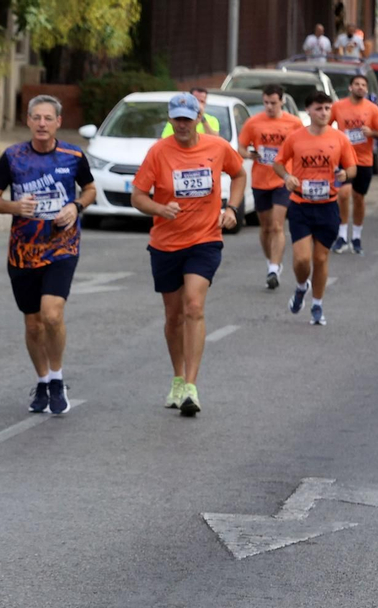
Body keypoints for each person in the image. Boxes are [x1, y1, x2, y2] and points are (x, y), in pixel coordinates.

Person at [131, 93, 245, 417]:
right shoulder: (158, 152)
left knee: (194, 305)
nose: (182, 124)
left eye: (188, 118)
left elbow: (239, 174)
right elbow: (138, 196)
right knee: (174, 316)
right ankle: (178, 378)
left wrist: (233, 208)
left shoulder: (217, 147)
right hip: (166, 243)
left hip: (205, 239)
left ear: (199, 119)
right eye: (177, 118)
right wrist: (159, 208)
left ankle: (192, 386)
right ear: (170, 120)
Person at [0, 95, 95, 415]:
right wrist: (14, 207)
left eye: (48, 118)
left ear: (59, 122)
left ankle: (58, 378)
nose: (42, 123)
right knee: (33, 324)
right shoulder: (13, 157)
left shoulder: (73, 155)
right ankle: (43, 380)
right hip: (23, 252)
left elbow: (90, 188)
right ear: (29, 121)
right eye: (36, 118)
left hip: (62, 246)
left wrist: (76, 206)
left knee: (51, 314)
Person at [272, 91, 357, 326]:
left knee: (320, 259)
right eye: (319, 108)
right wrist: (288, 177)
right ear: (308, 110)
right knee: (301, 260)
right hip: (301, 205)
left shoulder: (339, 138)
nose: (324, 113)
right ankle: (301, 287)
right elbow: (278, 163)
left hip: (328, 205)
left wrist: (344, 173)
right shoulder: (295, 138)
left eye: (328, 109)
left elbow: (352, 169)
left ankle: (317, 304)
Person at [238, 84, 303, 289]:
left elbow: (302, 147)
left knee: (276, 225)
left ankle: (274, 268)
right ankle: (271, 263)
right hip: (260, 180)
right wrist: (249, 154)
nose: (269, 107)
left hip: (283, 180)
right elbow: (240, 147)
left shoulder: (294, 123)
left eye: (273, 103)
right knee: (265, 228)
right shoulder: (253, 122)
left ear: (282, 101)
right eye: (265, 102)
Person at [331, 73, 378, 254]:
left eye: (363, 85)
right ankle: (341, 235)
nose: (360, 87)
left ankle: (356, 236)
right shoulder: (338, 106)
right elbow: (326, 124)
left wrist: (372, 133)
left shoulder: (372, 109)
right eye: (357, 84)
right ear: (350, 87)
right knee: (344, 194)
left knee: (358, 198)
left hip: (364, 160)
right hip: (344, 159)